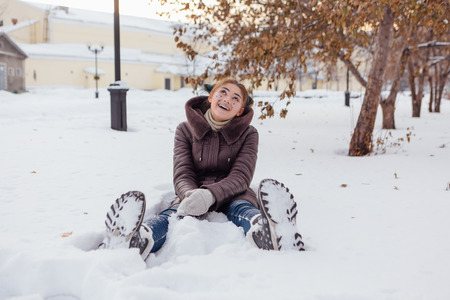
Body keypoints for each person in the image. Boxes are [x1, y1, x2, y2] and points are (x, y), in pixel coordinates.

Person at [99, 78, 304, 261]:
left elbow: (242, 175)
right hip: (193, 190)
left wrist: (210, 195)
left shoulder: (249, 134)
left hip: (233, 192)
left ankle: (268, 231)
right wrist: (191, 195)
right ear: (211, 96)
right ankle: (140, 238)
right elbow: (182, 172)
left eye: (235, 98)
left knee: (242, 210)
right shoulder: (185, 129)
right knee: (171, 215)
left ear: (240, 110)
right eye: (222, 92)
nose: (227, 99)